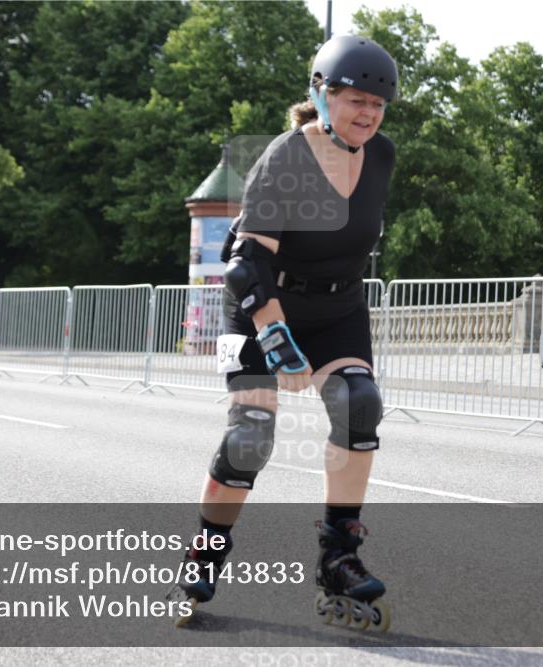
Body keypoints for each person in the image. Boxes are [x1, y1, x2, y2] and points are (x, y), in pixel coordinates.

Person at [168, 34, 397, 632]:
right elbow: (245, 263)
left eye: (378, 105)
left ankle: (338, 557)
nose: (368, 114)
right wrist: (276, 339)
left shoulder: (381, 157)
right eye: (355, 101)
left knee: (358, 404)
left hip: (338, 308)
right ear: (321, 95)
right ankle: (206, 552)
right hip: (261, 304)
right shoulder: (286, 158)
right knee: (251, 437)